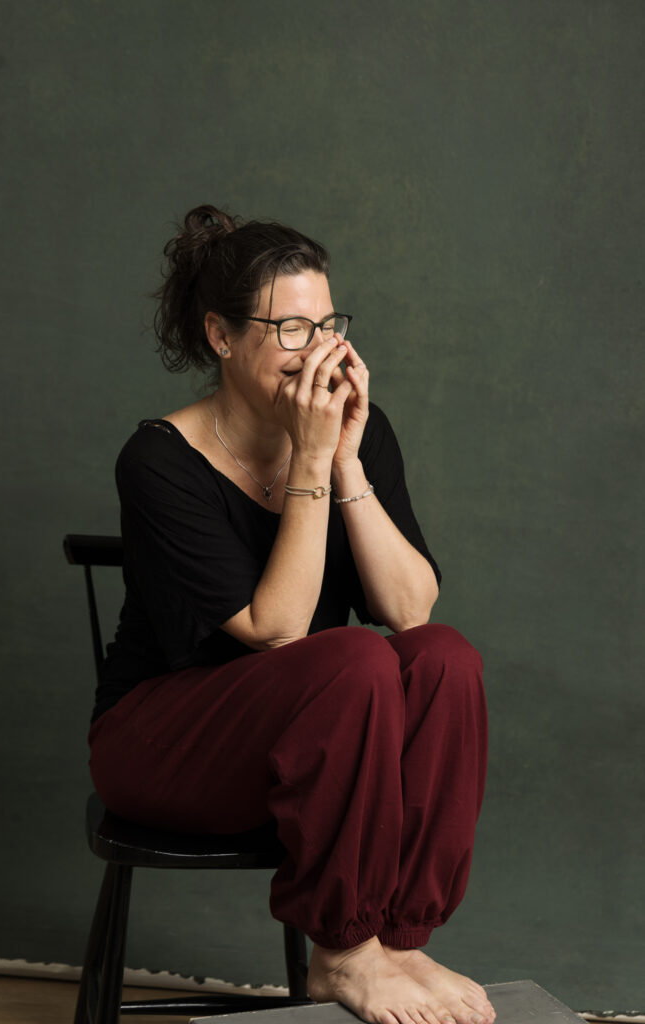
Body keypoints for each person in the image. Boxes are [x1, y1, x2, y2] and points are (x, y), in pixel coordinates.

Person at [88, 204, 494, 1024]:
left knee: (442, 655)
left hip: (323, 748)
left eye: (328, 325)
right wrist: (309, 456)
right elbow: (277, 632)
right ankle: (342, 952)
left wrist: (344, 460)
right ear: (220, 335)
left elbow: (411, 608)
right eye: (291, 329)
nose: (319, 352)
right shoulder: (158, 460)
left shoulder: (354, 433)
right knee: (352, 658)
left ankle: (396, 938)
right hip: (167, 746)